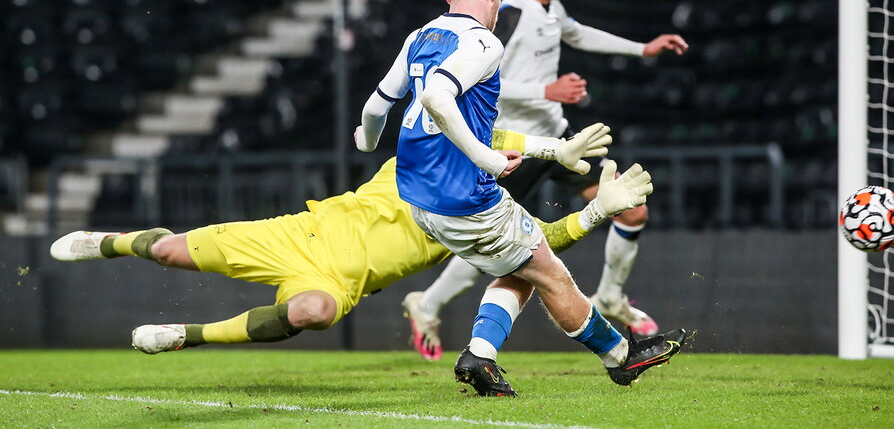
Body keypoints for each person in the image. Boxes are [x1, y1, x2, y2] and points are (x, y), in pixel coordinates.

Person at [355, 0, 687, 397]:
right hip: (465, 192)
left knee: (520, 264)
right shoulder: (486, 40)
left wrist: (367, 139)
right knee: (548, 268)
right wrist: (488, 158)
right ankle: (620, 356)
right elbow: (436, 97)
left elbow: (376, 107)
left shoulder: (420, 36)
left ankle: (480, 353)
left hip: (417, 195)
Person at [50, 126, 648, 356]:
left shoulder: (479, 219)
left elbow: (542, 247)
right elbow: (489, 131)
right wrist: (552, 149)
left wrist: (598, 209)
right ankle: (107, 242)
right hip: (294, 235)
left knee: (312, 312)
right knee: (166, 250)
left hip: (337, 281)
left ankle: (188, 335)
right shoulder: (414, 161)